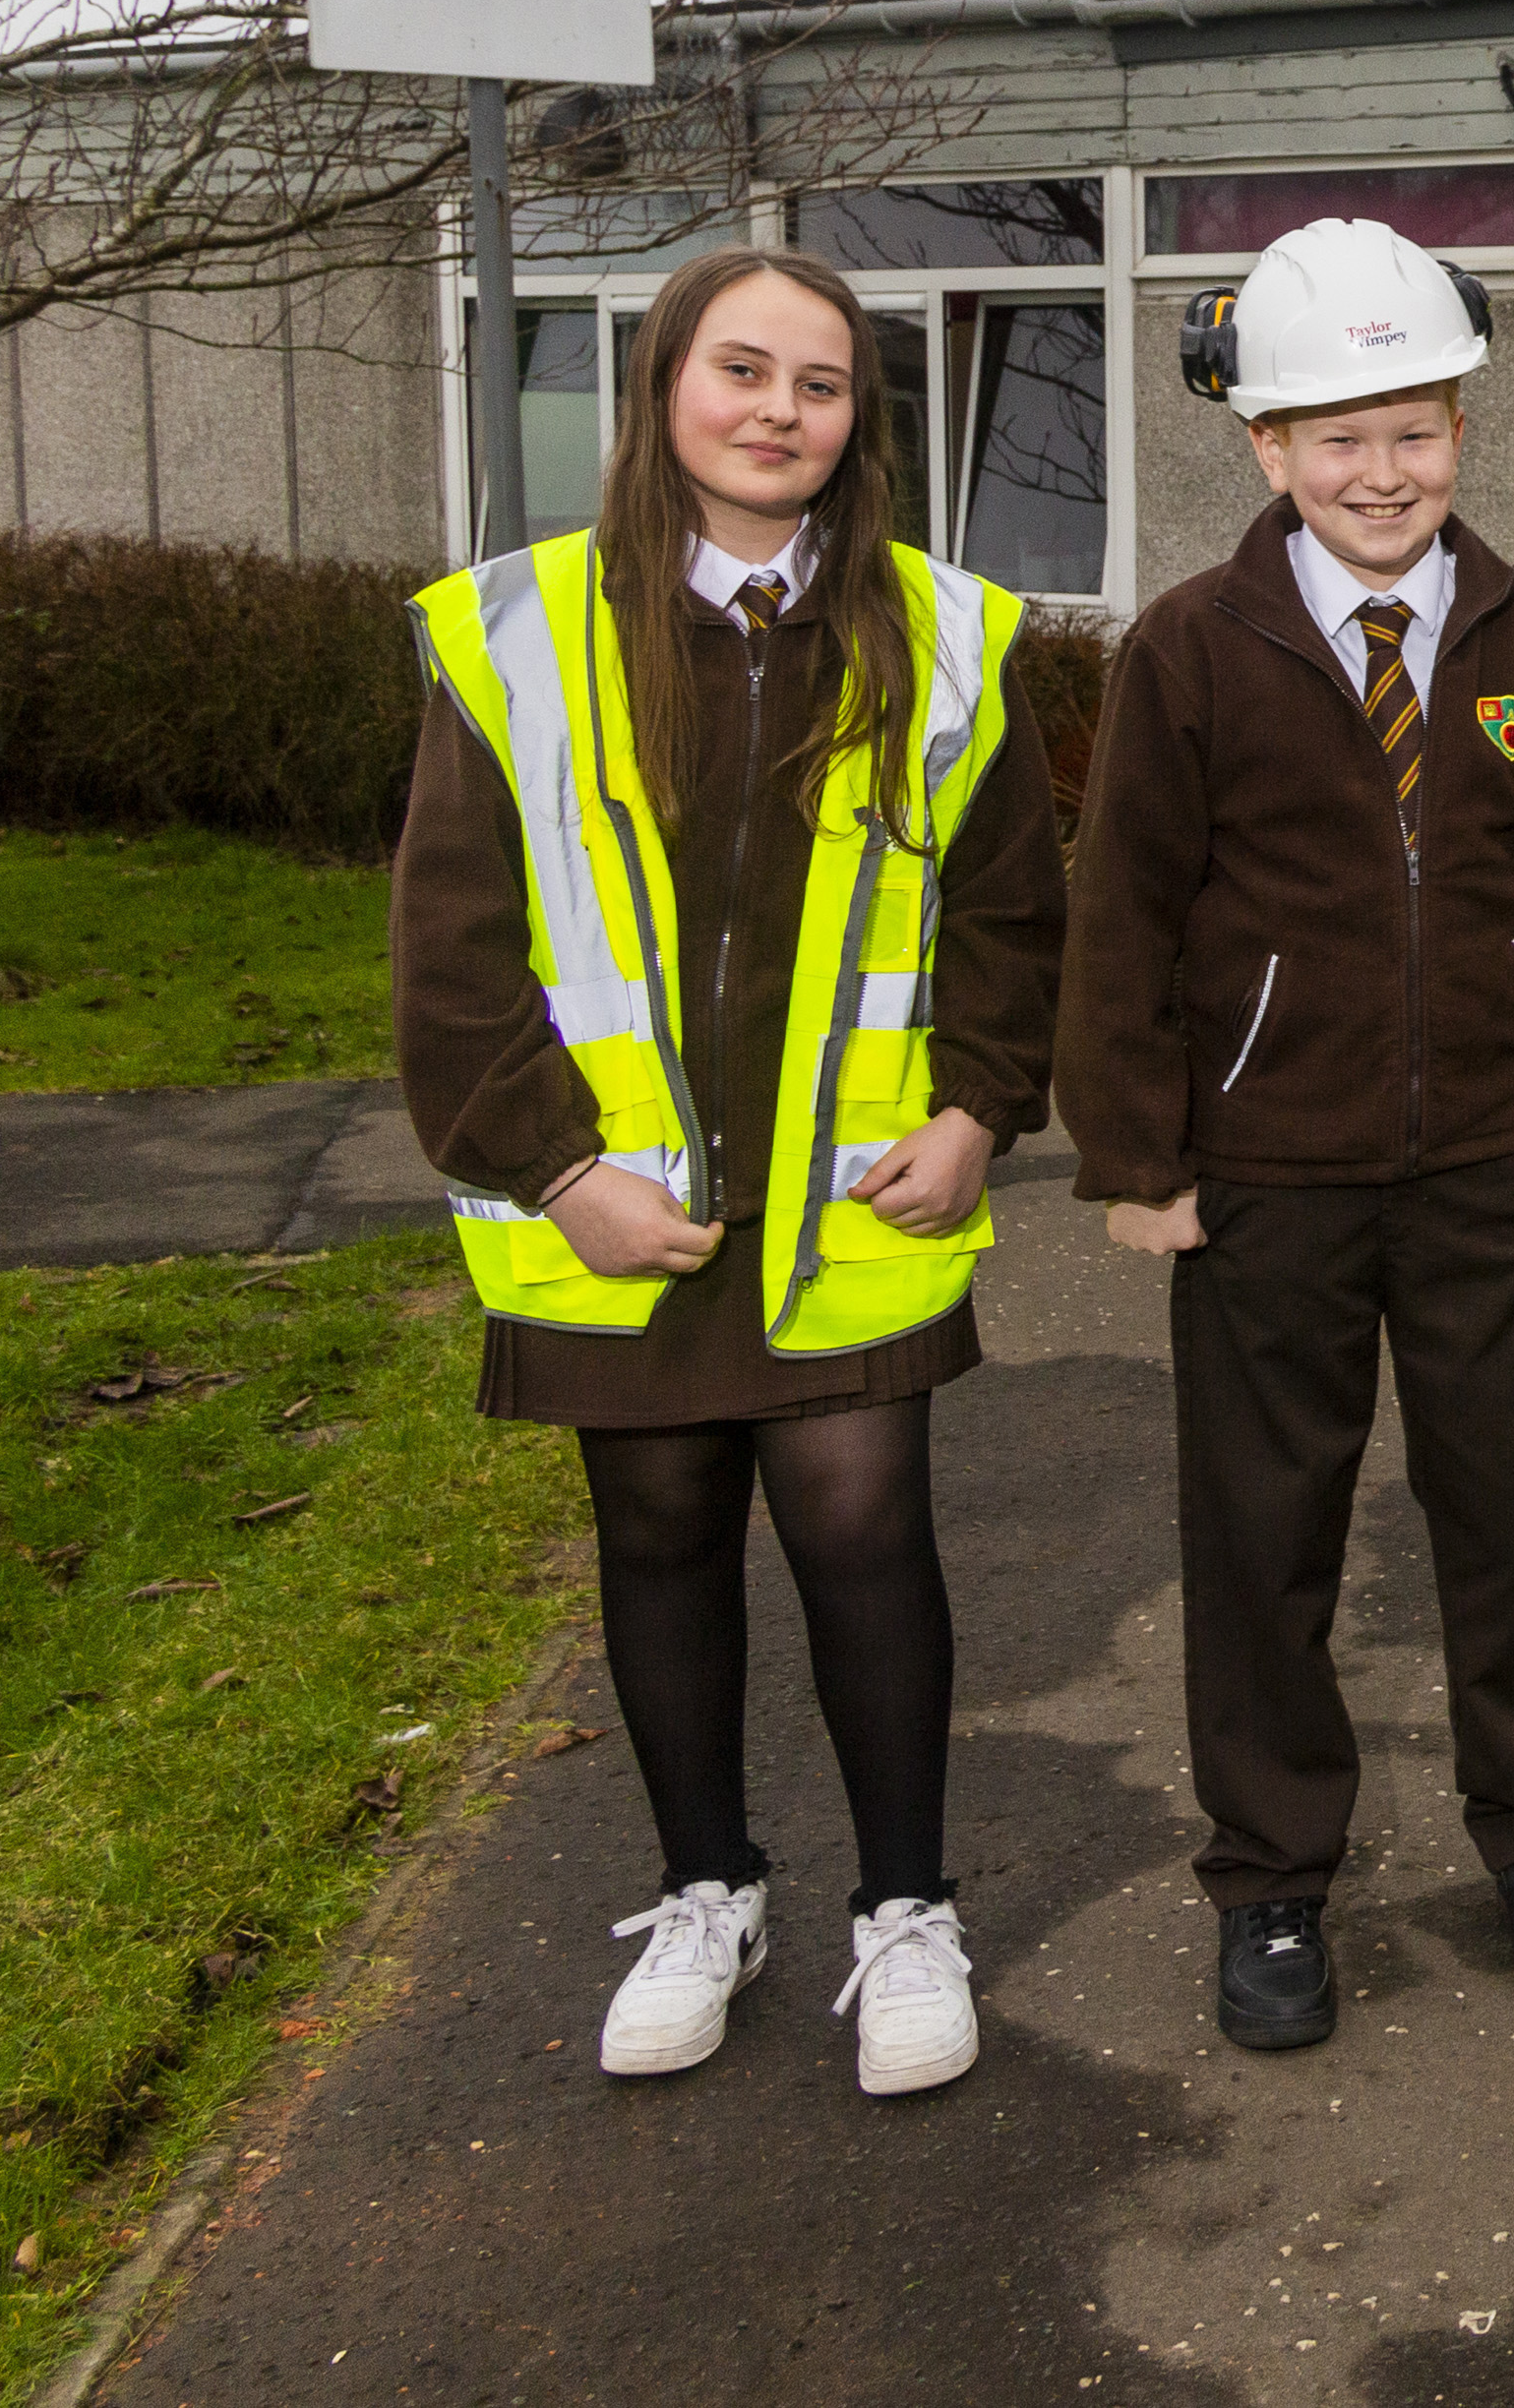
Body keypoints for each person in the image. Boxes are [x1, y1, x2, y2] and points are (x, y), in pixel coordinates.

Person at [394, 243, 1063, 2099]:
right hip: (626, 1208)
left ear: (861, 421)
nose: (779, 409)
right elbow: (451, 955)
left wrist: (982, 1111)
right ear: (663, 387)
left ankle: (908, 1914)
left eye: (822, 383)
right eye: (742, 369)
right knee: (662, 1533)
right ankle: (709, 1890)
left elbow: (1014, 914)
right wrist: (551, 1170)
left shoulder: (948, 631)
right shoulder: (511, 630)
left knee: (865, 1538)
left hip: (854, 1196)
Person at [1058, 218, 1514, 2053]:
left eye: (1412, 430)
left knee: (1504, 1516)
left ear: (1462, 431)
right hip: (1263, 1184)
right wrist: (1138, 1158)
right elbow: (1125, 917)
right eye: (1337, 437)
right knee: (1264, 1534)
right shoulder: (1189, 652)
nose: (1379, 472)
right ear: (1265, 451)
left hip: (1487, 1162)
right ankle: (1268, 1880)